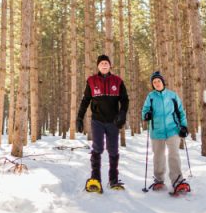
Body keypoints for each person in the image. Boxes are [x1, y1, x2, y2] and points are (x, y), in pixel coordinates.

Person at [76, 54, 129, 193]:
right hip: (97, 121)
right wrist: (79, 118)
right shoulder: (91, 81)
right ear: (98, 66)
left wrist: (122, 113)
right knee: (97, 148)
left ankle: (113, 180)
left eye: (106, 63)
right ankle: (95, 179)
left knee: (113, 150)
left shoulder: (117, 81)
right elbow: (85, 101)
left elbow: (125, 100)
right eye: (102, 63)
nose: (104, 65)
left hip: (113, 122)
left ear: (110, 65)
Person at [141, 70, 190, 194]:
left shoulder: (172, 95)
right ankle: (159, 180)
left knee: (174, 155)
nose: (157, 83)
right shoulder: (151, 97)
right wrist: (147, 114)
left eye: (158, 81)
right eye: (154, 82)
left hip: (173, 129)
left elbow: (180, 112)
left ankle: (177, 181)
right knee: (158, 156)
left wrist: (184, 126)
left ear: (163, 82)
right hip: (156, 131)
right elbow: (144, 111)